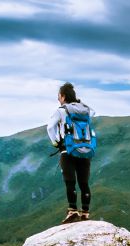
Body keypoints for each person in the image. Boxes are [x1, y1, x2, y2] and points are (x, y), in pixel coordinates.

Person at [47, 82, 95, 224]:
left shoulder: (62, 110)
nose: (58, 99)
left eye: (59, 96)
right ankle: (85, 212)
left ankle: (73, 210)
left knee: (70, 181)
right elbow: (93, 113)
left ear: (63, 97)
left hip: (67, 149)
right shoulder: (85, 109)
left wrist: (56, 142)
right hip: (85, 149)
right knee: (84, 182)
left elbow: (50, 127)